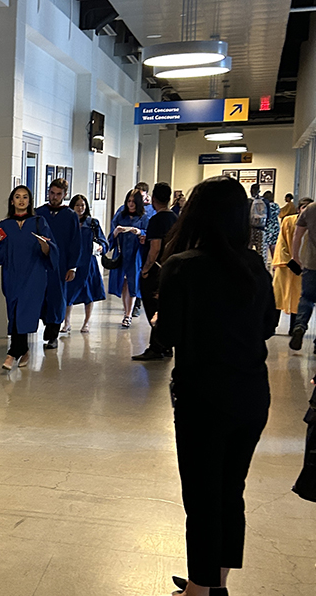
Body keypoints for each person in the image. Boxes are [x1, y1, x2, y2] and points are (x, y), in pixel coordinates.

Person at [155, 176, 275, 596]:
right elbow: (267, 325)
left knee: (202, 498)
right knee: (230, 491)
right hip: (251, 395)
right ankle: (214, 582)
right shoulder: (254, 265)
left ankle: (198, 591)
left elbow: (166, 335)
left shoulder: (182, 265)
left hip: (202, 397)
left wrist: (160, 321)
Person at [0, 185, 56, 370]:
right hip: (12, 276)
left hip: (34, 276)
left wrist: (44, 245)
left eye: (25, 197)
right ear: (12, 201)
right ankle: (23, 349)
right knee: (15, 314)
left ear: (30, 201)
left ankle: (12, 353)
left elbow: (51, 251)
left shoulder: (39, 222)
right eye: (17, 197)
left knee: (25, 312)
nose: (21, 200)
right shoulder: (4, 225)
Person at [132, 182, 178, 360]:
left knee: (153, 308)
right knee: (163, 306)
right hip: (170, 268)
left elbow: (155, 249)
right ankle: (165, 345)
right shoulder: (174, 218)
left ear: (154, 199)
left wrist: (145, 269)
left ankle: (157, 346)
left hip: (156, 270)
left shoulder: (156, 220)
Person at [35, 178, 82, 349]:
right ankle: (45, 324)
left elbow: (75, 243)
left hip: (60, 265)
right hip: (40, 263)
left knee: (57, 298)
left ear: (65, 195)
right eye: (52, 193)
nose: (54, 197)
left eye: (58, 194)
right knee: (40, 297)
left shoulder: (70, 216)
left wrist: (72, 266)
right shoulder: (39, 213)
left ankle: (53, 334)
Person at [64, 194, 107, 333]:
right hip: (72, 263)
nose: (80, 208)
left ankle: (86, 322)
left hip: (89, 263)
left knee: (89, 293)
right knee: (68, 293)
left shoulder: (92, 223)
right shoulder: (68, 223)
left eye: (82, 205)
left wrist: (101, 247)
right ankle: (67, 322)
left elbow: (103, 241)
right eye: (77, 205)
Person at [107, 189, 148, 328]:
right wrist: (116, 232)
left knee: (133, 283)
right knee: (123, 283)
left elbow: (148, 234)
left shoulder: (143, 217)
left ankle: (128, 314)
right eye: (129, 201)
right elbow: (111, 237)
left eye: (133, 202)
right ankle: (126, 311)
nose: (131, 204)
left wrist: (140, 232)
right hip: (122, 252)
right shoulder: (120, 216)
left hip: (135, 254)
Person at [273, 198, 312, 336]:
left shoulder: (312, 225)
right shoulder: (288, 221)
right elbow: (281, 242)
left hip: (303, 268)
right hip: (285, 265)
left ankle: (294, 328)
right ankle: (272, 326)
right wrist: (288, 261)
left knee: (298, 298)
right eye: (303, 207)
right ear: (298, 209)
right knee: (278, 295)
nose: (305, 210)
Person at [289, 200, 316, 352]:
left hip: (311, 262)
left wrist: (295, 257)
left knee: (307, 298)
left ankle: (299, 326)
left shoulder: (310, 209)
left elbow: (297, 235)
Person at [248, 183, 268, 262]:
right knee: (261, 251)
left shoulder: (248, 201)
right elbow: (268, 215)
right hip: (261, 229)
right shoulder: (265, 201)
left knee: (247, 249)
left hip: (250, 229)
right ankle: (262, 268)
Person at [263, 191, 280, 260]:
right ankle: (274, 262)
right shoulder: (276, 205)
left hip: (267, 226)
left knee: (265, 247)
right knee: (273, 247)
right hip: (275, 226)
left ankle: (265, 263)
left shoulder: (265, 205)